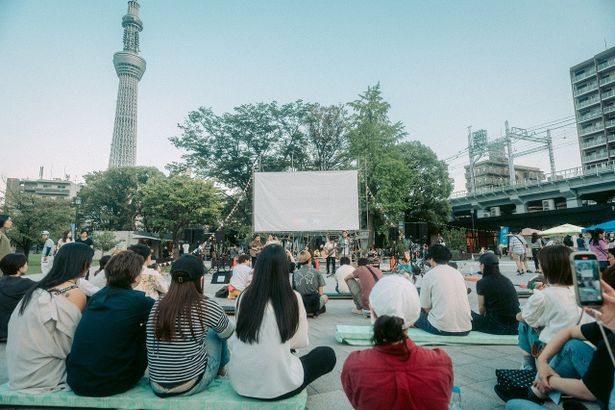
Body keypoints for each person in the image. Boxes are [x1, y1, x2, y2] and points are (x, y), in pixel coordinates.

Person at [229, 244, 336, 400]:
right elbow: (298, 341)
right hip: (277, 387)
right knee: (327, 354)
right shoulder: (293, 298)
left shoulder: (244, 296)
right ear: (285, 269)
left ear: (258, 267)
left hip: (240, 382)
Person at [342, 276, 454, 410]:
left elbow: (357, 402)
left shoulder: (355, 364)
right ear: (414, 317)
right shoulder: (441, 362)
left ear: (372, 311)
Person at [6, 243, 91, 392]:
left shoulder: (38, 289)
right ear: (82, 263)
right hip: (46, 374)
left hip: (19, 371)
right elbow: (73, 343)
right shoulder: (74, 293)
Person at [66, 251, 154, 396]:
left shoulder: (96, 297)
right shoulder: (139, 301)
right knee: (147, 328)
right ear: (135, 276)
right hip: (111, 383)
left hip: (76, 380)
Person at [147, 254, 234, 397]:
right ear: (200, 280)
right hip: (189, 383)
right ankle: (220, 372)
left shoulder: (158, 304)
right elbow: (228, 333)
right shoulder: (206, 305)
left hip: (157, 384)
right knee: (216, 331)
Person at [516, 245, 594, 371]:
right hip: (583, 346)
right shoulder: (586, 292)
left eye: (540, 263)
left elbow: (522, 316)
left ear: (548, 267)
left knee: (524, 323)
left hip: (552, 351)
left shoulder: (542, 296)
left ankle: (528, 362)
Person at [414, 244, 472, 336]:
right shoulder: (458, 273)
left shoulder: (429, 275)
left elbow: (425, 306)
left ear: (432, 259)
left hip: (442, 328)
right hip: (466, 328)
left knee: (414, 314)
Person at [471, 253, 520, 335]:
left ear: (483, 266)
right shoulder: (506, 280)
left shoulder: (482, 283)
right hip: (515, 326)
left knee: (469, 314)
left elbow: (481, 309)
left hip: (497, 327)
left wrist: (482, 320)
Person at [0, 253, 35, 342]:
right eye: (26, 263)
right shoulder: (26, 283)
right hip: (13, 332)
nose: (27, 265)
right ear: (19, 268)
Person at [293, 250, 328, 315]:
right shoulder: (317, 272)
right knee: (325, 297)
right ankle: (315, 311)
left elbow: (294, 291)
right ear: (310, 259)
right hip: (314, 303)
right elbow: (321, 293)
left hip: (300, 304)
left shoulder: (295, 273)